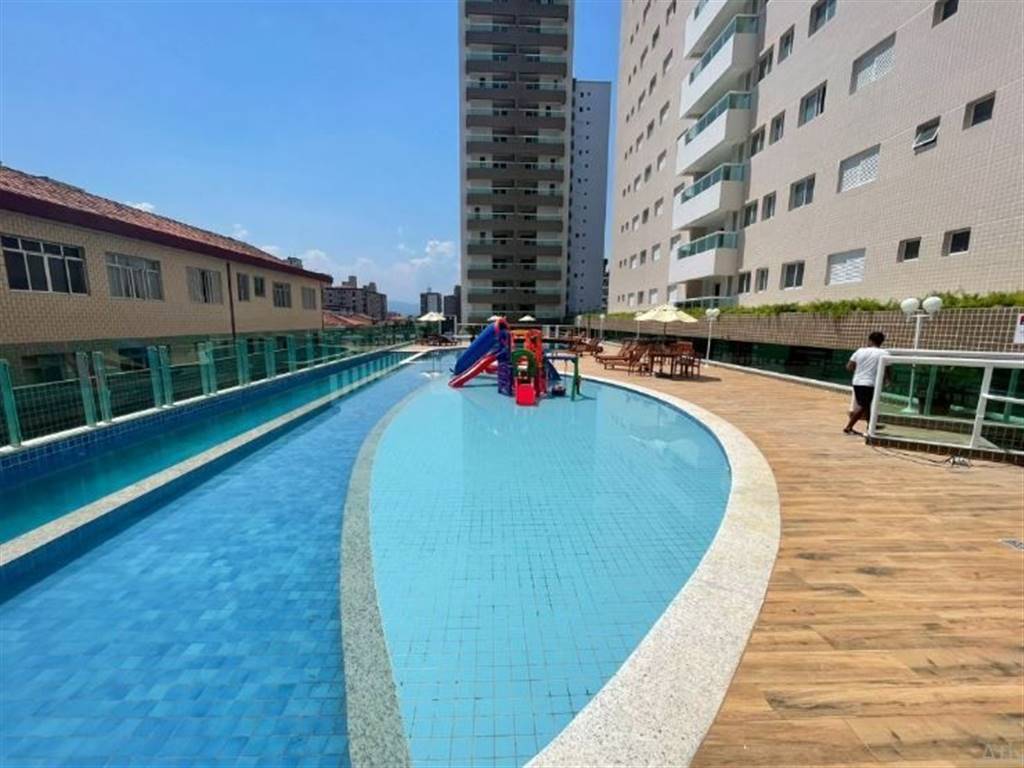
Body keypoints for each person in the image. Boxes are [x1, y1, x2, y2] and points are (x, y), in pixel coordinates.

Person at [844, 331, 889, 435]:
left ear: (869, 340)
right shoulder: (884, 353)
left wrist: (860, 371)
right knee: (864, 405)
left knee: (866, 405)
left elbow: (849, 367)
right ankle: (848, 427)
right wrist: (887, 380)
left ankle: (870, 424)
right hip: (870, 383)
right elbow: (887, 369)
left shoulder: (860, 351)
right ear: (881, 342)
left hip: (857, 381)